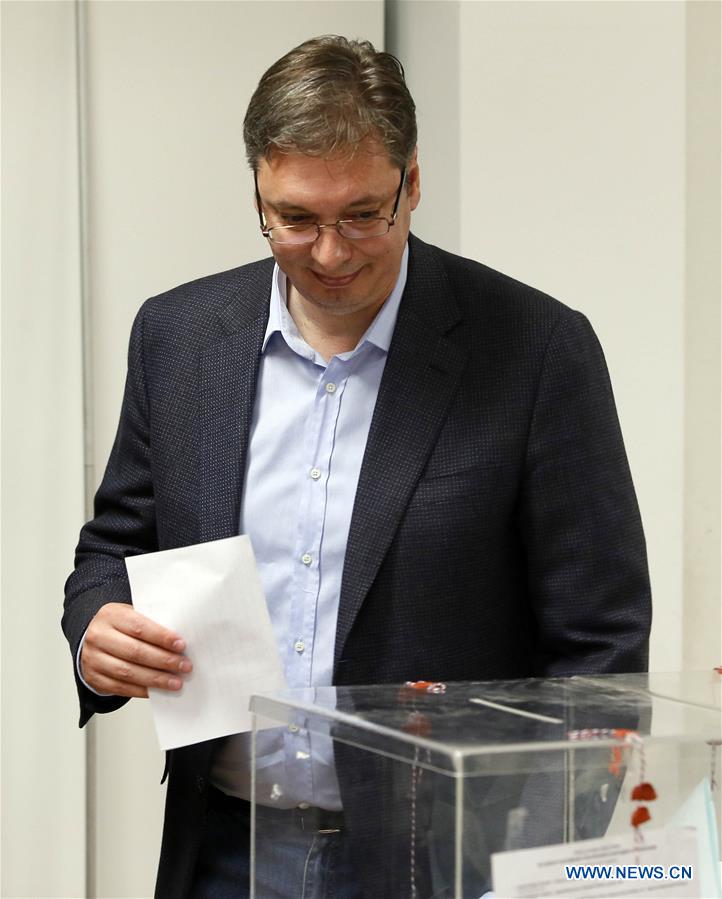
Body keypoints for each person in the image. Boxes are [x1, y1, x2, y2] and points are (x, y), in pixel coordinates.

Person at [63, 35, 651, 899]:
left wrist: (545, 858)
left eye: (364, 214)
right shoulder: (178, 338)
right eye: (296, 218)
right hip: (224, 845)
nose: (331, 254)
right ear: (258, 190)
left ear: (412, 183)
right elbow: (112, 547)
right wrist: (95, 630)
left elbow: (600, 648)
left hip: (441, 860)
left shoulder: (534, 350)